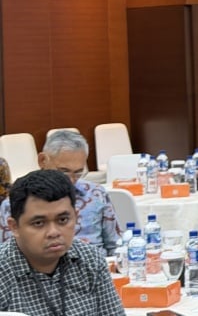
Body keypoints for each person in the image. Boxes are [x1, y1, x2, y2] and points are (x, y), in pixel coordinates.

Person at [0, 169, 125, 315]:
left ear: (76, 217)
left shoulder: (91, 260)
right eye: (39, 223)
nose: (53, 232)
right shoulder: (3, 271)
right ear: (14, 226)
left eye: (63, 220)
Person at [0, 130, 122, 255]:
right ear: (42, 160)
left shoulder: (96, 193)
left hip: (97, 263)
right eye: (64, 171)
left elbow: (115, 245)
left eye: (78, 173)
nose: (71, 180)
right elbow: (7, 254)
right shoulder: (14, 202)